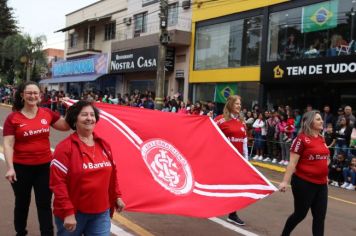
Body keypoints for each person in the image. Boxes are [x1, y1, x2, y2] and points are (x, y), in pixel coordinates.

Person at [3, 81, 70, 236]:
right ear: (22, 95)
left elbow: (66, 126)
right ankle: (21, 232)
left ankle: (47, 233)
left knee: (44, 204)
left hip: (45, 167)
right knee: (22, 203)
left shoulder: (46, 113)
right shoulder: (13, 118)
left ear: (40, 96)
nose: (32, 96)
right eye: (29, 93)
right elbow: (8, 144)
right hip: (21, 168)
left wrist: (71, 108)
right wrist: (10, 167)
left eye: (35, 93)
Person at [50, 100, 125, 235]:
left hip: (101, 213)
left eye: (92, 115)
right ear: (74, 119)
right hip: (74, 213)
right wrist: (68, 212)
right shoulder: (64, 148)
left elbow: (112, 173)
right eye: (84, 115)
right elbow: (58, 183)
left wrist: (117, 196)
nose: (89, 118)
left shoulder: (104, 145)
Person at [279, 110, 330, 236]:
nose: (322, 121)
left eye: (321, 119)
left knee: (320, 217)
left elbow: (324, 159)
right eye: (318, 119)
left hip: (322, 184)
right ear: (310, 122)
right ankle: (284, 234)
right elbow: (292, 163)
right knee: (300, 214)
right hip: (304, 182)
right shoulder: (301, 139)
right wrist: (285, 181)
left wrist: (326, 176)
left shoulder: (322, 138)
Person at [214, 95, 248, 226]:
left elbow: (244, 142)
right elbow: (209, 134)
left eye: (240, 104)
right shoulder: (220, 120)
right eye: (237, 104)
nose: (239, 106)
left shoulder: (242, 122)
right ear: (230, 105)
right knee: (218, 185)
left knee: (236, 188)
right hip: (223, 160)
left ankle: (232, 214)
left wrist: (246, 161)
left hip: (238, 162)